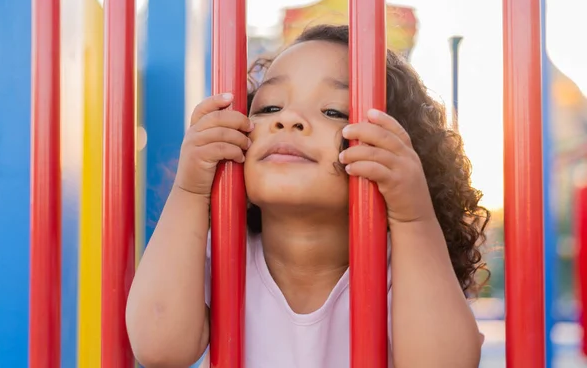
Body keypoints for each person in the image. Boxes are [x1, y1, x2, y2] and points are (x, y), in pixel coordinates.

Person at [126, 24, 489, 368]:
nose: (289, 120)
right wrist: (192, 189)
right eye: (269, 108)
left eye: (333, 111)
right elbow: (159, 348)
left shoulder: (402, 267)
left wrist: (413, 216)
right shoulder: (220, 250)